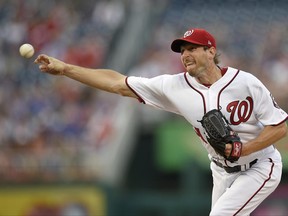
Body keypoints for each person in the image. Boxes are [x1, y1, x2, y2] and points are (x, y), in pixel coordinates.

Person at [35, 28, 288, 215]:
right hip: (221, 171)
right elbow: (117, 83)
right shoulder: (174, 86)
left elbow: (280, 127)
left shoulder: (246, 83)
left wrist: (246, 148)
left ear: (211, 51)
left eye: (192, 49)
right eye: (182, 50)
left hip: (260, 165)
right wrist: (67, 69)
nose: (185, 55)